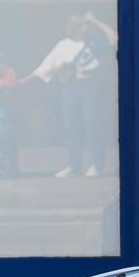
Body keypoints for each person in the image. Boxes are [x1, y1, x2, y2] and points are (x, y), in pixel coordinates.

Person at [27, 12, 117, 178]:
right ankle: (75, 166)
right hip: (69, 87)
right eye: (83, 24)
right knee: (71, 127)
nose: (86, 27)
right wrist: (26, 80)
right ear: (74, 26)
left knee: (92, 125)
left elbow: (114, 38)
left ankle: (97, 165)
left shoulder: (95, 43)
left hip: (90, 86)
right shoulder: (63, 45)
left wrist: (96, 21)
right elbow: (47, 65)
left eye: (86, 24)